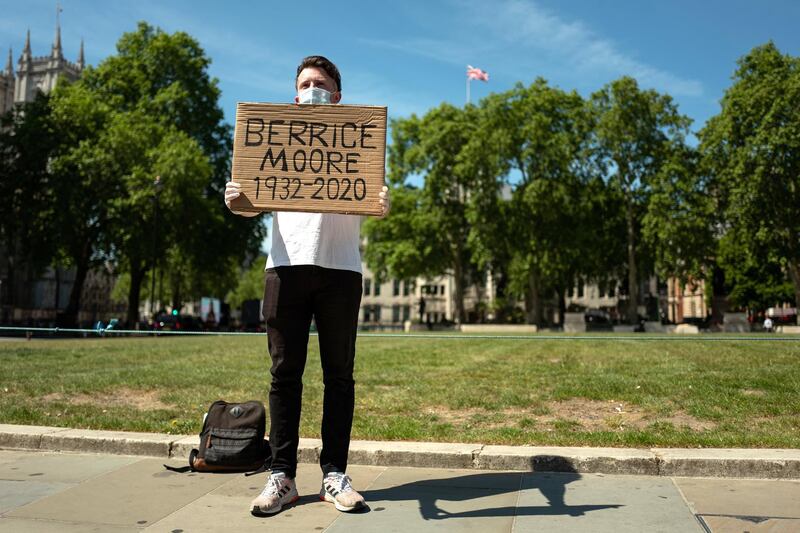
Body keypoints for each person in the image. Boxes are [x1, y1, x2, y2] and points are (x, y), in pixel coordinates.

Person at [224, 55, 390, 516]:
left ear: (337, 96)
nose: (311, 88)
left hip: (341, 271)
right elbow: (247, 206)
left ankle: (335, 474)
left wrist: (381, 203)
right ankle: (282, 476)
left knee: (340, 376)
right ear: (294, 94)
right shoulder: (274, 134)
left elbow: (371, 198)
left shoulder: (358, 143)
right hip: (285, 268)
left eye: (320, 83)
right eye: (304, 83)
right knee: (284, 375)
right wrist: (236, 201)